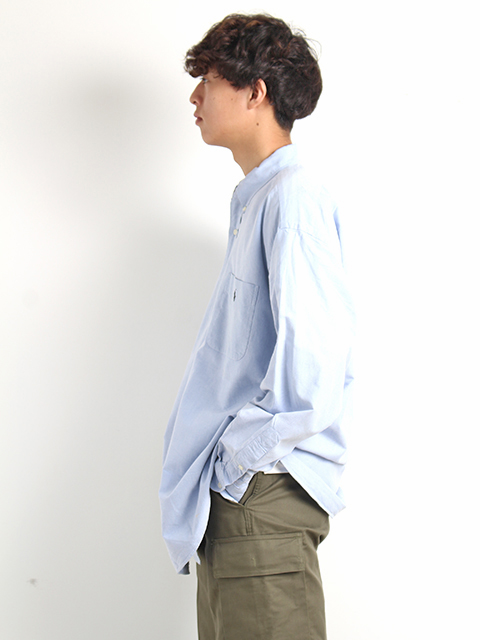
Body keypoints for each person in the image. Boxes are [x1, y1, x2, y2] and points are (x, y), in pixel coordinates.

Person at [159, 13, 354, 640]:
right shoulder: (257, 201)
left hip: (259, 501)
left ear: (255, 91)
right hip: (238, 507)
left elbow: (313, 371)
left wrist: (234, 467)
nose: (195, 97)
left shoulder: (293, 198)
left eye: (209, 80)